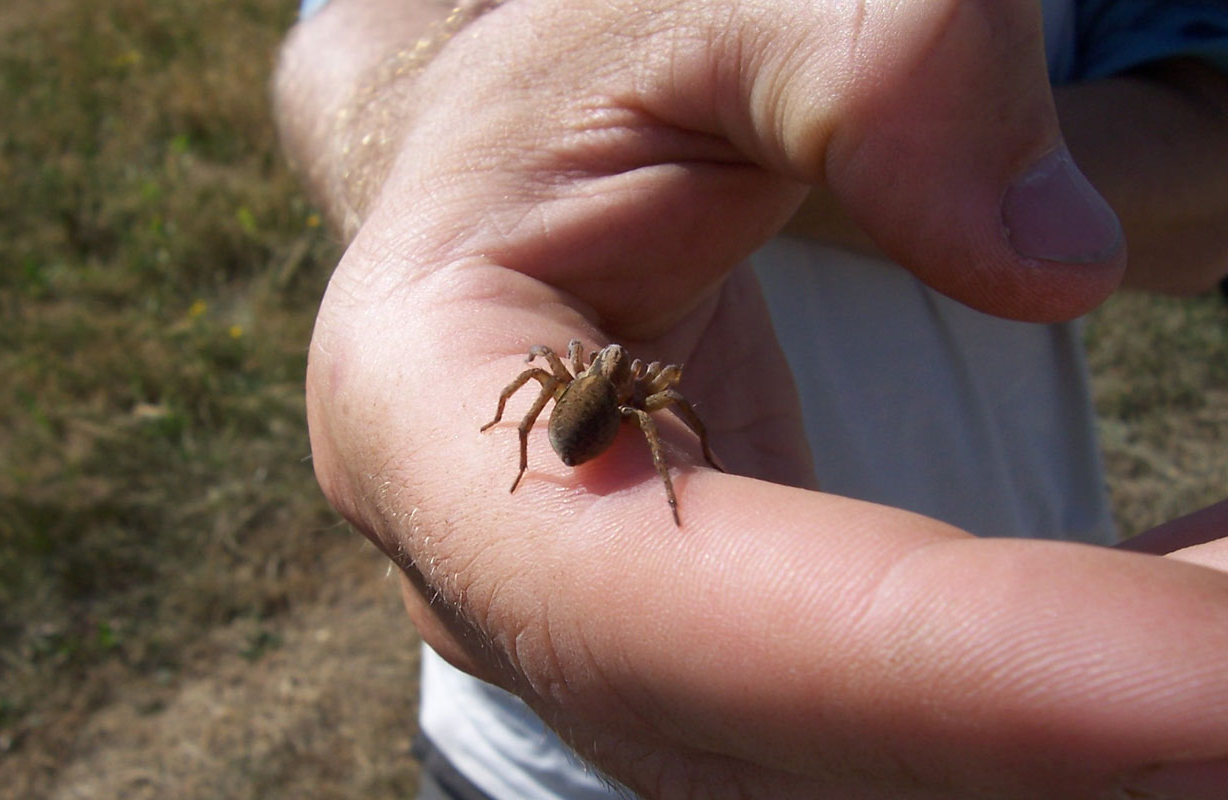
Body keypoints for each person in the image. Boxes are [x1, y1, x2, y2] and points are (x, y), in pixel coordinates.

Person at [273, 1, 1228, 798]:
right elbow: (351, 36)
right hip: (527, 754)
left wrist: (735, 145)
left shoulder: (628, 391)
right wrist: (430, 154)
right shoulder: (609, 386)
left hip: (1023, 580)